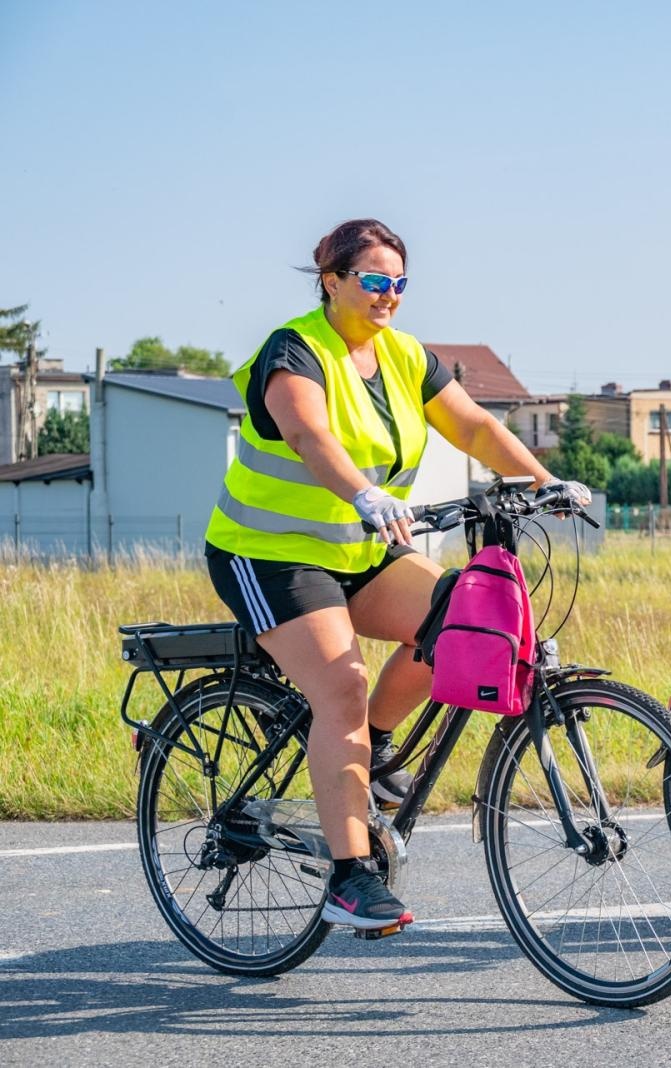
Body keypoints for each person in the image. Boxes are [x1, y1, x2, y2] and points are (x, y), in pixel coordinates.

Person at [204, 218, 589, 931]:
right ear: (333, 282)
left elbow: (475, 427)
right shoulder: (295, 349)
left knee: (465, 618)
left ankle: (373, 747)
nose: (389, 296)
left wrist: (545, 479)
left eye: (400, 284)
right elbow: (306, 433)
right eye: (374, 281)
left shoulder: (407, 358)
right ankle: (349, 878)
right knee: (341, 685)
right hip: (271, 553)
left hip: (358, 550)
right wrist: (363, 491)